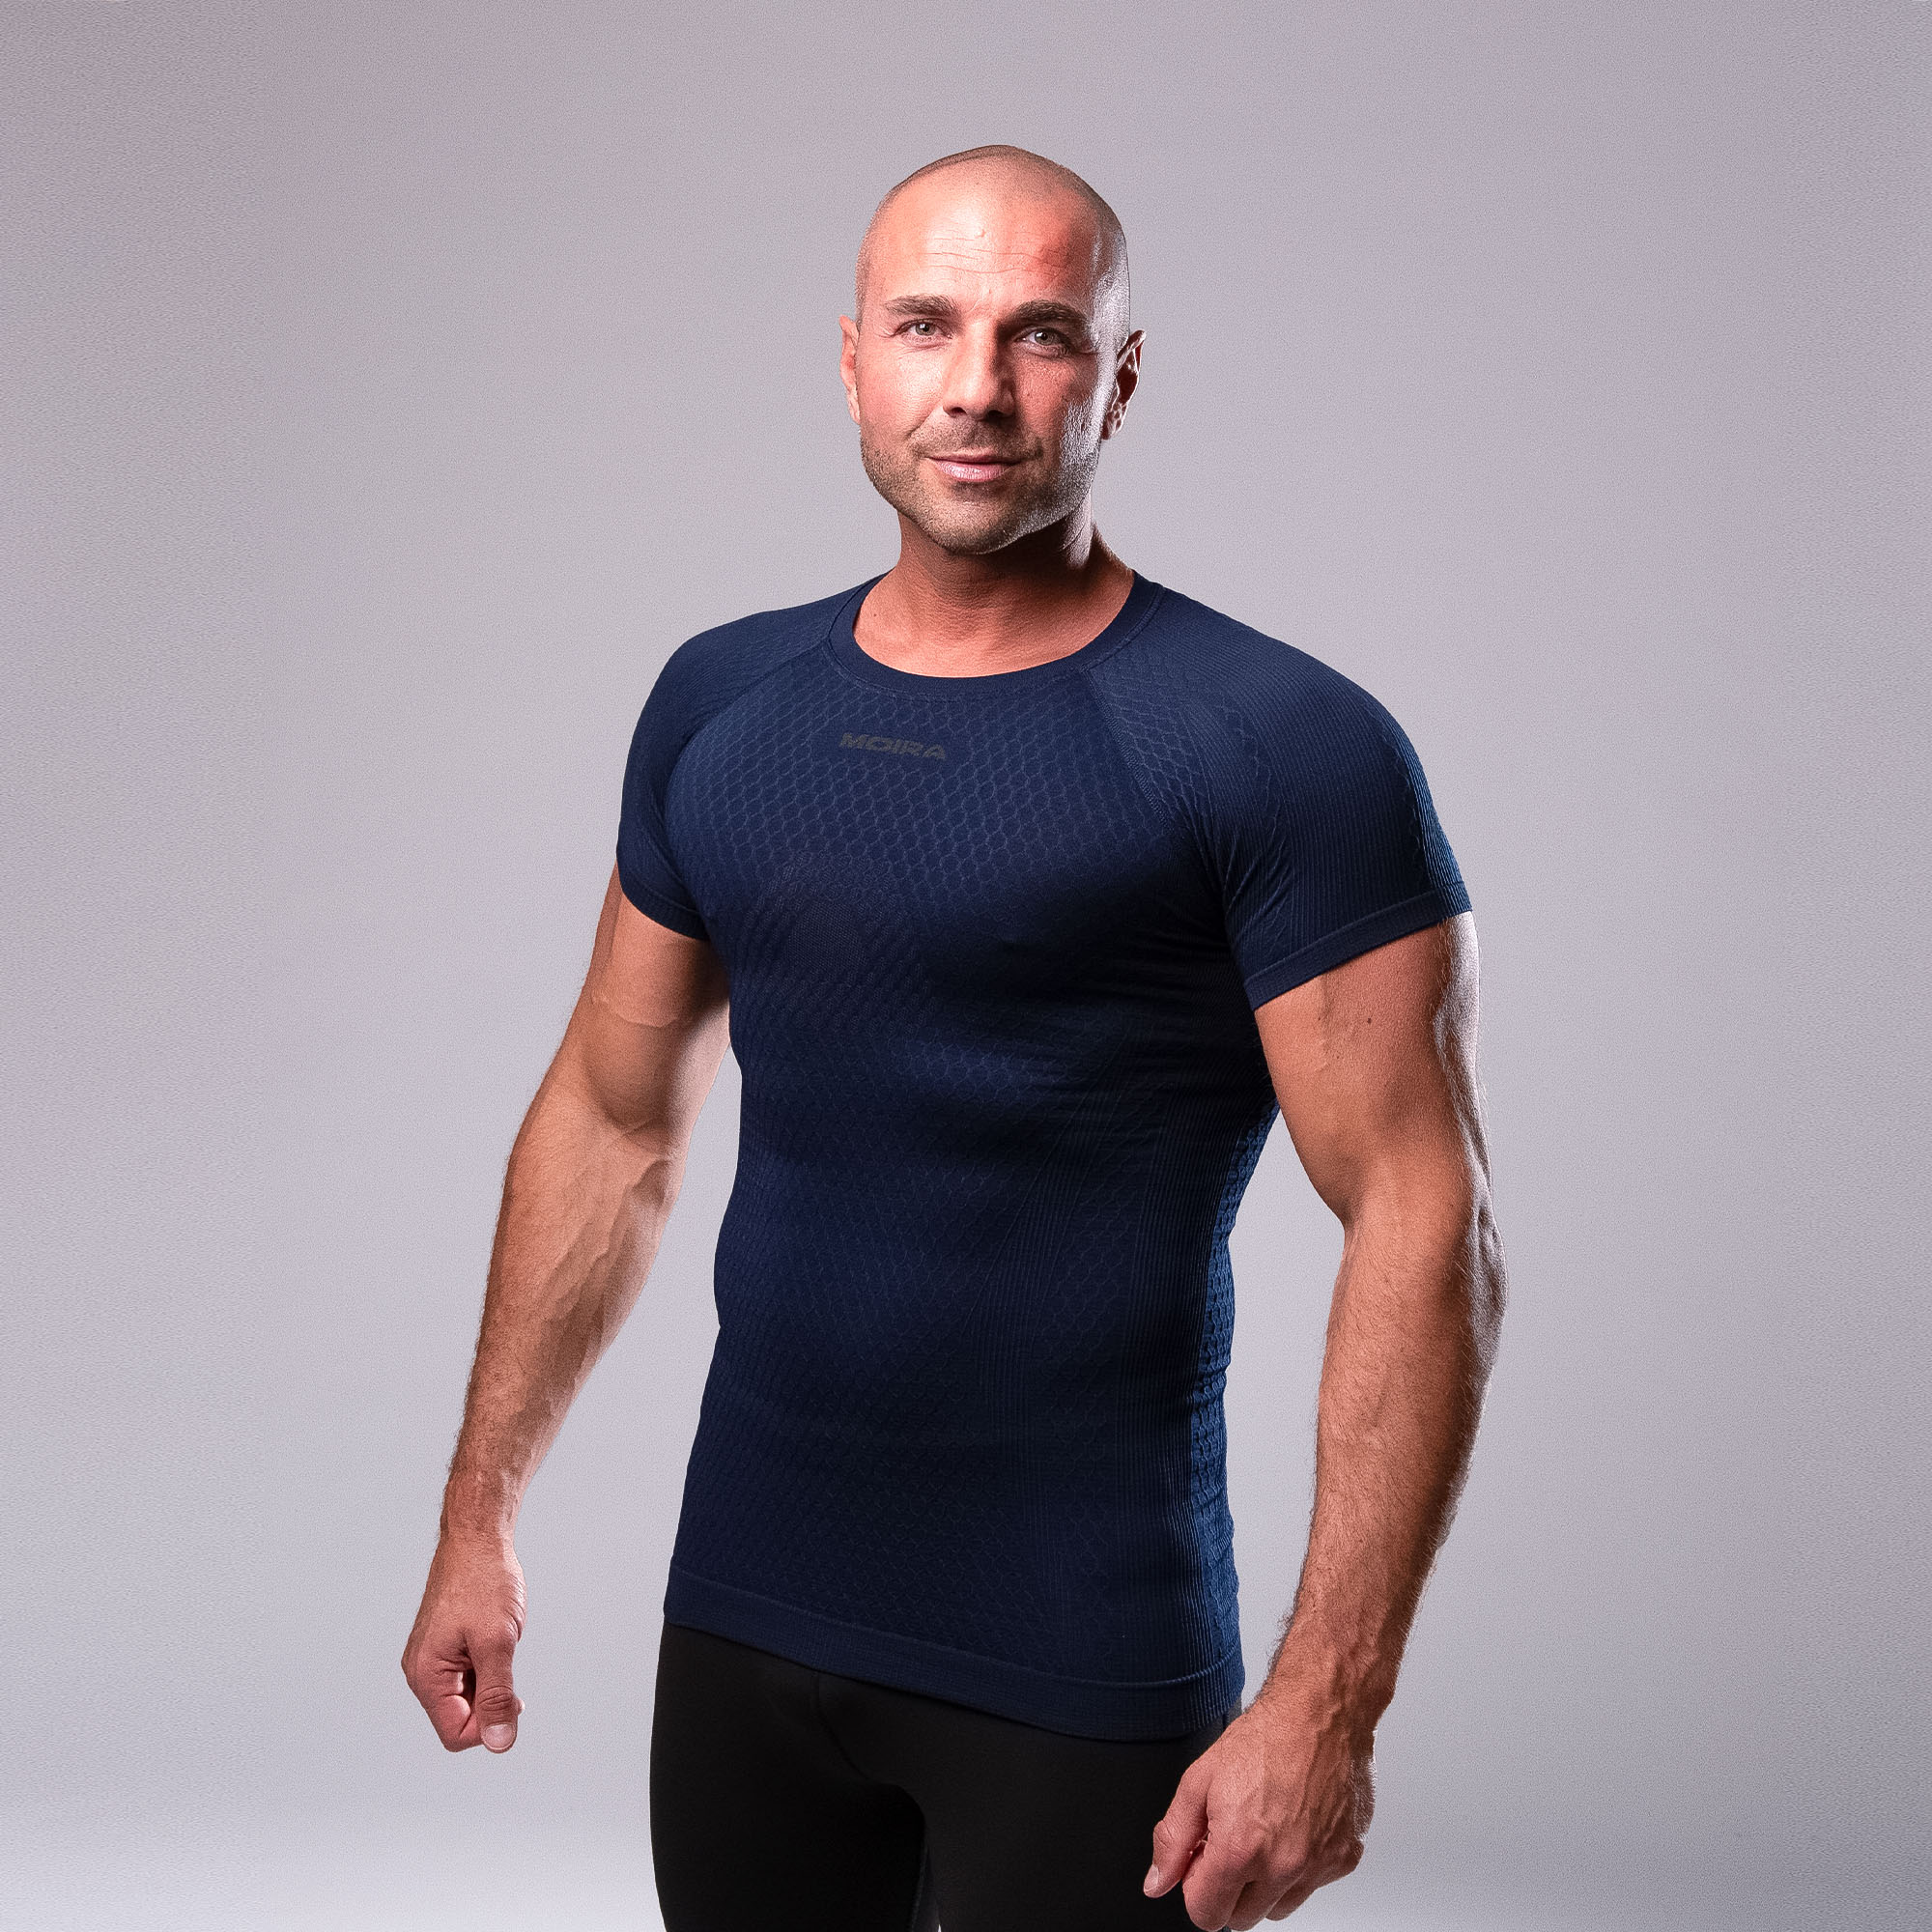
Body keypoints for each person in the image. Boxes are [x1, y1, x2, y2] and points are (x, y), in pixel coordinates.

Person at [402, 145, 1505, 1932]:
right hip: (747, 1626)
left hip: (1081, 1660)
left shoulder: (1278, 744)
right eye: (927, 325)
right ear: (853, 361)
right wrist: (480, 1515)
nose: (977, 386)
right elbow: (613, 1120)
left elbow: (1421, 1211)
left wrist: (1328, 1701)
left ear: (1118, 377)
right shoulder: (723, 701)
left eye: (1039, 333)